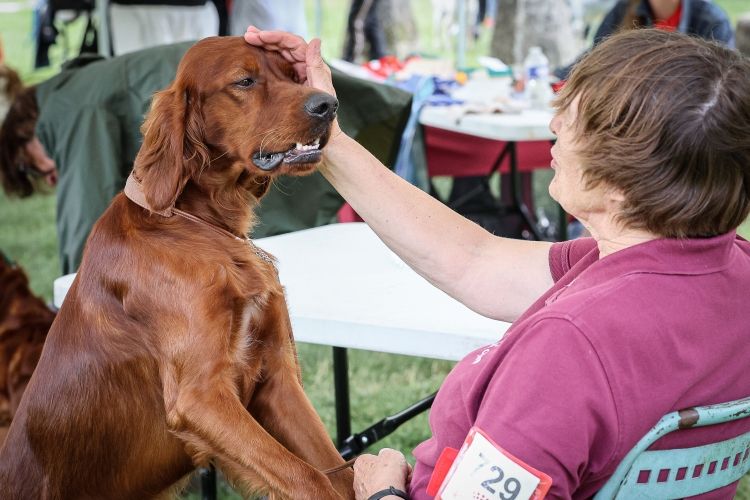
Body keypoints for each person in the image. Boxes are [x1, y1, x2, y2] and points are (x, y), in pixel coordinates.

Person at [245, 25, 750, 499]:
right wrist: (320, 130)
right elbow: (475, 261)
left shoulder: (571, 348)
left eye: (573, 119)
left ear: (619, 187)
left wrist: (383, 492)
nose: (553, 125)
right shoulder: (723, 269)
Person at [0, 42, 410, 275]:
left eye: (28, 164)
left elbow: (84, 210)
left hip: (242, 105)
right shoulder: (70, 91)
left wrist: (73, 292)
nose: (43, 173)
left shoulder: (71, 109)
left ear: (25, 135)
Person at [555, 0, 735, 79]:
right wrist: (555, 75)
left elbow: (725, 77)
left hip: (686, 118)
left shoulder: (710, 19)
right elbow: (597, 54)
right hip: (635, 109)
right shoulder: (625, 8)